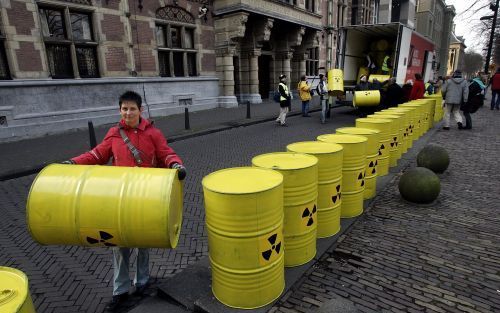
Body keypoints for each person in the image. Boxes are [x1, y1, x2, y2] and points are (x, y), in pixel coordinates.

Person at [62, 91, 186, 311]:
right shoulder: (114, 134)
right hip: (119, 198)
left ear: (141, 110)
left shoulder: (153, 134)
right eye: (124, 109)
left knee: (144, 242)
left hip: (147, 196)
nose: (128, 113)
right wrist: (73, 162)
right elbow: (97, 155)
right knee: (119, 245)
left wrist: (175, 164)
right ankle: (120, 290)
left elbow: (166, 153)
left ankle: (142, 282)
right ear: (120, 110)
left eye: (132, 109)